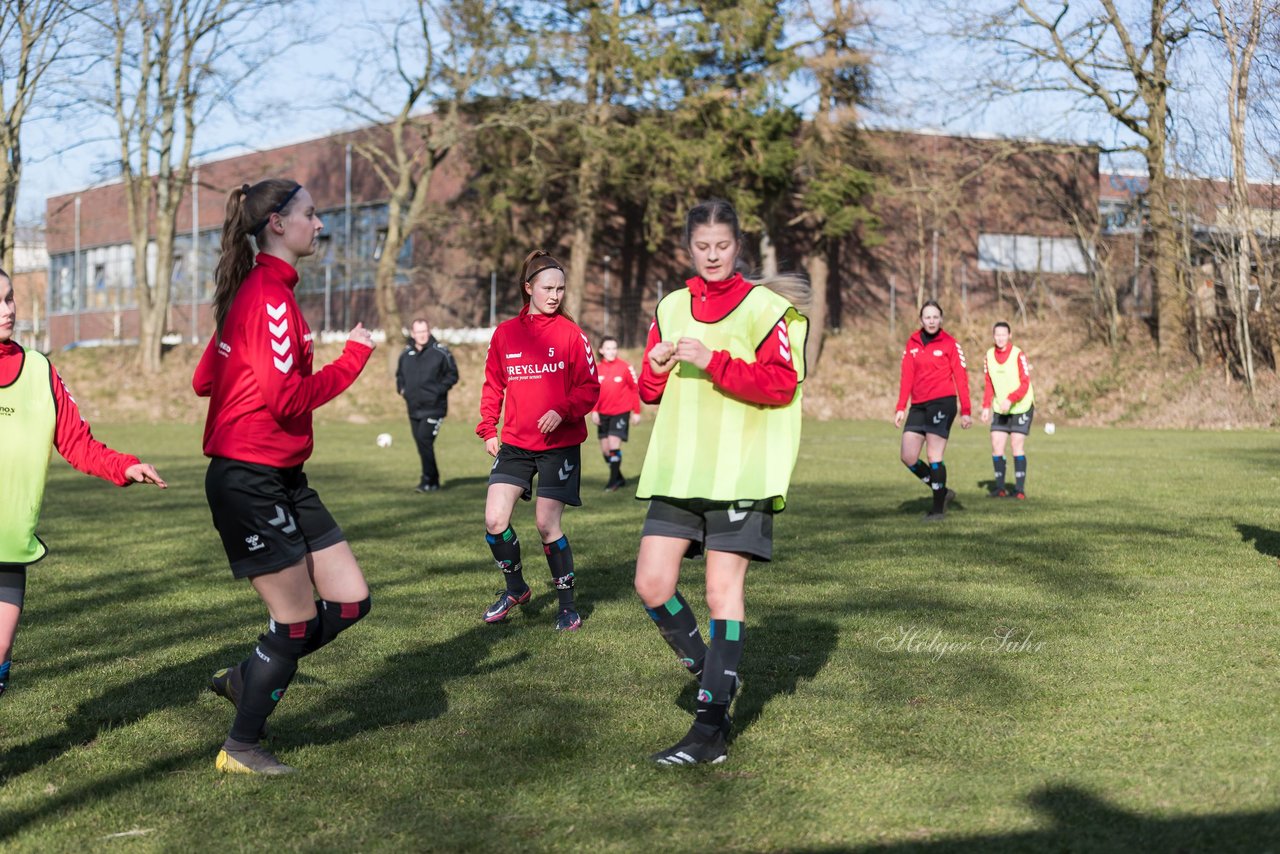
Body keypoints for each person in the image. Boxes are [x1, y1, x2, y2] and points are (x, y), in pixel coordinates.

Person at [194, 179, 375, 775]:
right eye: (311, 214)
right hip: (250, 478)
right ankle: (242, 745)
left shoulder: (265, 293)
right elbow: (285, 399)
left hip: (285, 476)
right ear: (277, 223)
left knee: (350, 601)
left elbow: (205, 379)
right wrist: (352, 358)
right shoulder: (268, 296)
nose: (319, 225)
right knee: (295, 622)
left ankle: (249, 675)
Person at [634, 199, 808, 766]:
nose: (712, 256)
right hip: (679, 470)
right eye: (703, 247)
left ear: (739, 247)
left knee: (719, 593)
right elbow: (648, 392)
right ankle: (718, 674)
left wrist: (713, 361)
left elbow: (782, 384)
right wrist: (655, 367)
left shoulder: (766, 309)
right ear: (689, 248)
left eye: (723, 246)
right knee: (652, 585)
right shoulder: (671, 305)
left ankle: (709, 730)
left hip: (740, 471)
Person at [0, 270, 166, 700]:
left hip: (8, 549)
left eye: (10, 298)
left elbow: (78, 443)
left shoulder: (39, 371)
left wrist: (124, 467)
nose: (8, 310)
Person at [475, 249, 600, 632]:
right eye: (548, 288)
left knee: (547, 526)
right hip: (515, 443)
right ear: (528, 288)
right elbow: (494, 384)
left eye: (561, 289)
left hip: (558, 446)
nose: (555, 295)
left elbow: (590, 388)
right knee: (495, 520)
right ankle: (516, 589)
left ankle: (567, 606)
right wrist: (488, 429)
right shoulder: (506, 334)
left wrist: (562, 410)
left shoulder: (572, 335)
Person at [894, 300, 971, 521]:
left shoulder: (950, 344)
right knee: (908, 456)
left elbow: (961, 377)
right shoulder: (912, 342)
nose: (931, 321)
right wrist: (901, 407)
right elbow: (906, 375)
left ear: (941, 319)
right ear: (921, 320)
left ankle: (937, 510)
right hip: (918, 405)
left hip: (942, 402)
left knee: (934, 454)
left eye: (935, 317)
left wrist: (966, 409)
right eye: (927, 317)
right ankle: (943, 491)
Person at [396, 317, 459, 492]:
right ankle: (434, 480)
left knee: (424, 440)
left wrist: (438, 390)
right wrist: (401, 389)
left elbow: (452, 375)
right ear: (413, 333)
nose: (422, 335)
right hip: (414, 408)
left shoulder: (441, 352)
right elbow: (399, 375)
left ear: (429, 332)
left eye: (425, 331)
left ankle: (426, 480)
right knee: (422, 444)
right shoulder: (406, 354)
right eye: (418, 332)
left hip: (434, 408)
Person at [980, 320, 1034, 499]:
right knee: (996, 444)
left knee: (1016, 445)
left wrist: (1011, 399)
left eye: (1004, 334)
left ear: (1009, 336)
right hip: (1000, 408)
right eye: (997, 335)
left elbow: (1025, 382)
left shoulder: (1018, 354)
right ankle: (1000, 489)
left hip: (1021, 406)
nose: (1000, 338)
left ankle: (1019, 490)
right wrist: (986, 406)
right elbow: (988, 383)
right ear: (993, 336)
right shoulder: (988, 355)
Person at [590, 335, 641, 491]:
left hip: (621, 412)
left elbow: (634, 389)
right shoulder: (596, 369)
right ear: (601, 350)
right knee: (606, 450)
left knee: (613, 445)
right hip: (602, 414)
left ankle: (612, 482)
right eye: (608, 348)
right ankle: (618, 477)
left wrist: (636, 412)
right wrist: (594, 411)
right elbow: (593, 392)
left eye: (614, 348)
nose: (611, 351)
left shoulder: (625, 367)